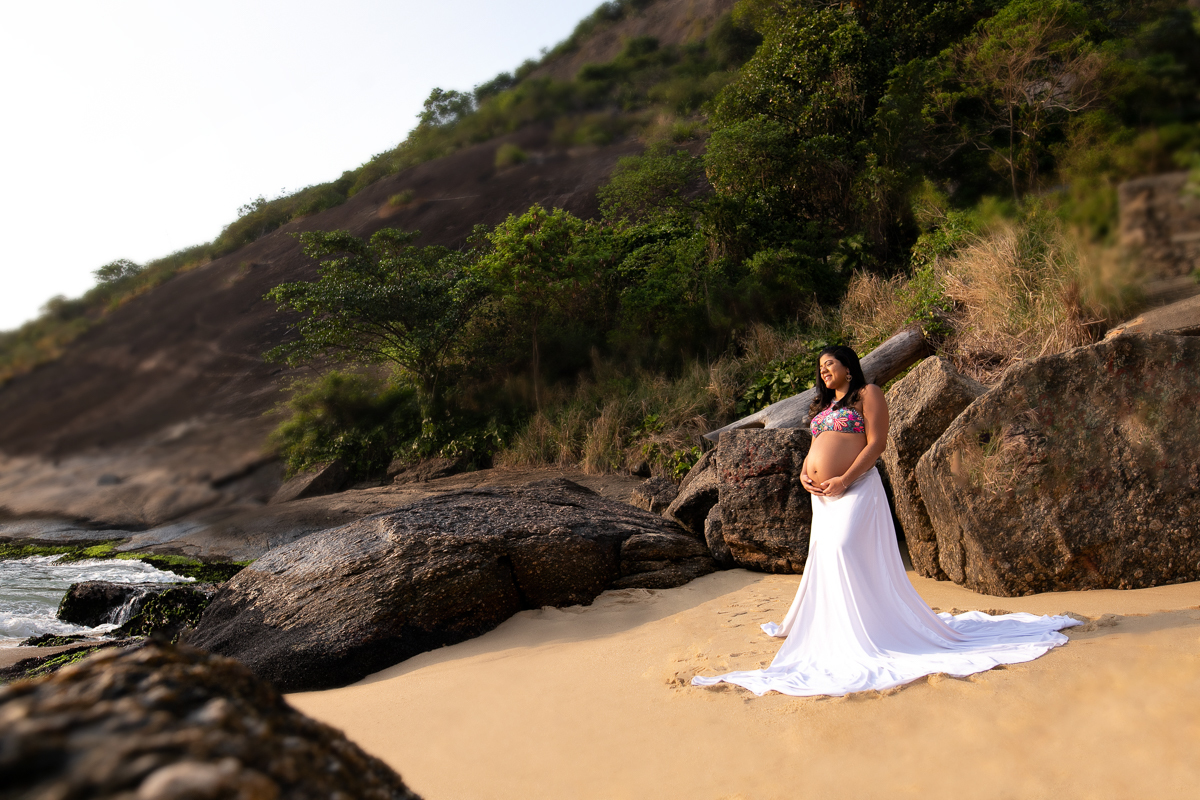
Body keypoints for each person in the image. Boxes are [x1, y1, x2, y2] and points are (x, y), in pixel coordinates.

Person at [691, 345, 1081, 697]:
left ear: (848, 367)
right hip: (822, 497)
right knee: (826, 556)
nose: (824, 371)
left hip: (856, 486)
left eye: (831, 364)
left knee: (845, 549)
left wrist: (845, 478)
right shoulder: (822, 409)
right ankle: (840, 624)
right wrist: (804, 476)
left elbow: (877, 442)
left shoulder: (868, 394)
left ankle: (871, 627)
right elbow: (815, 447)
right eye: (820, 368)